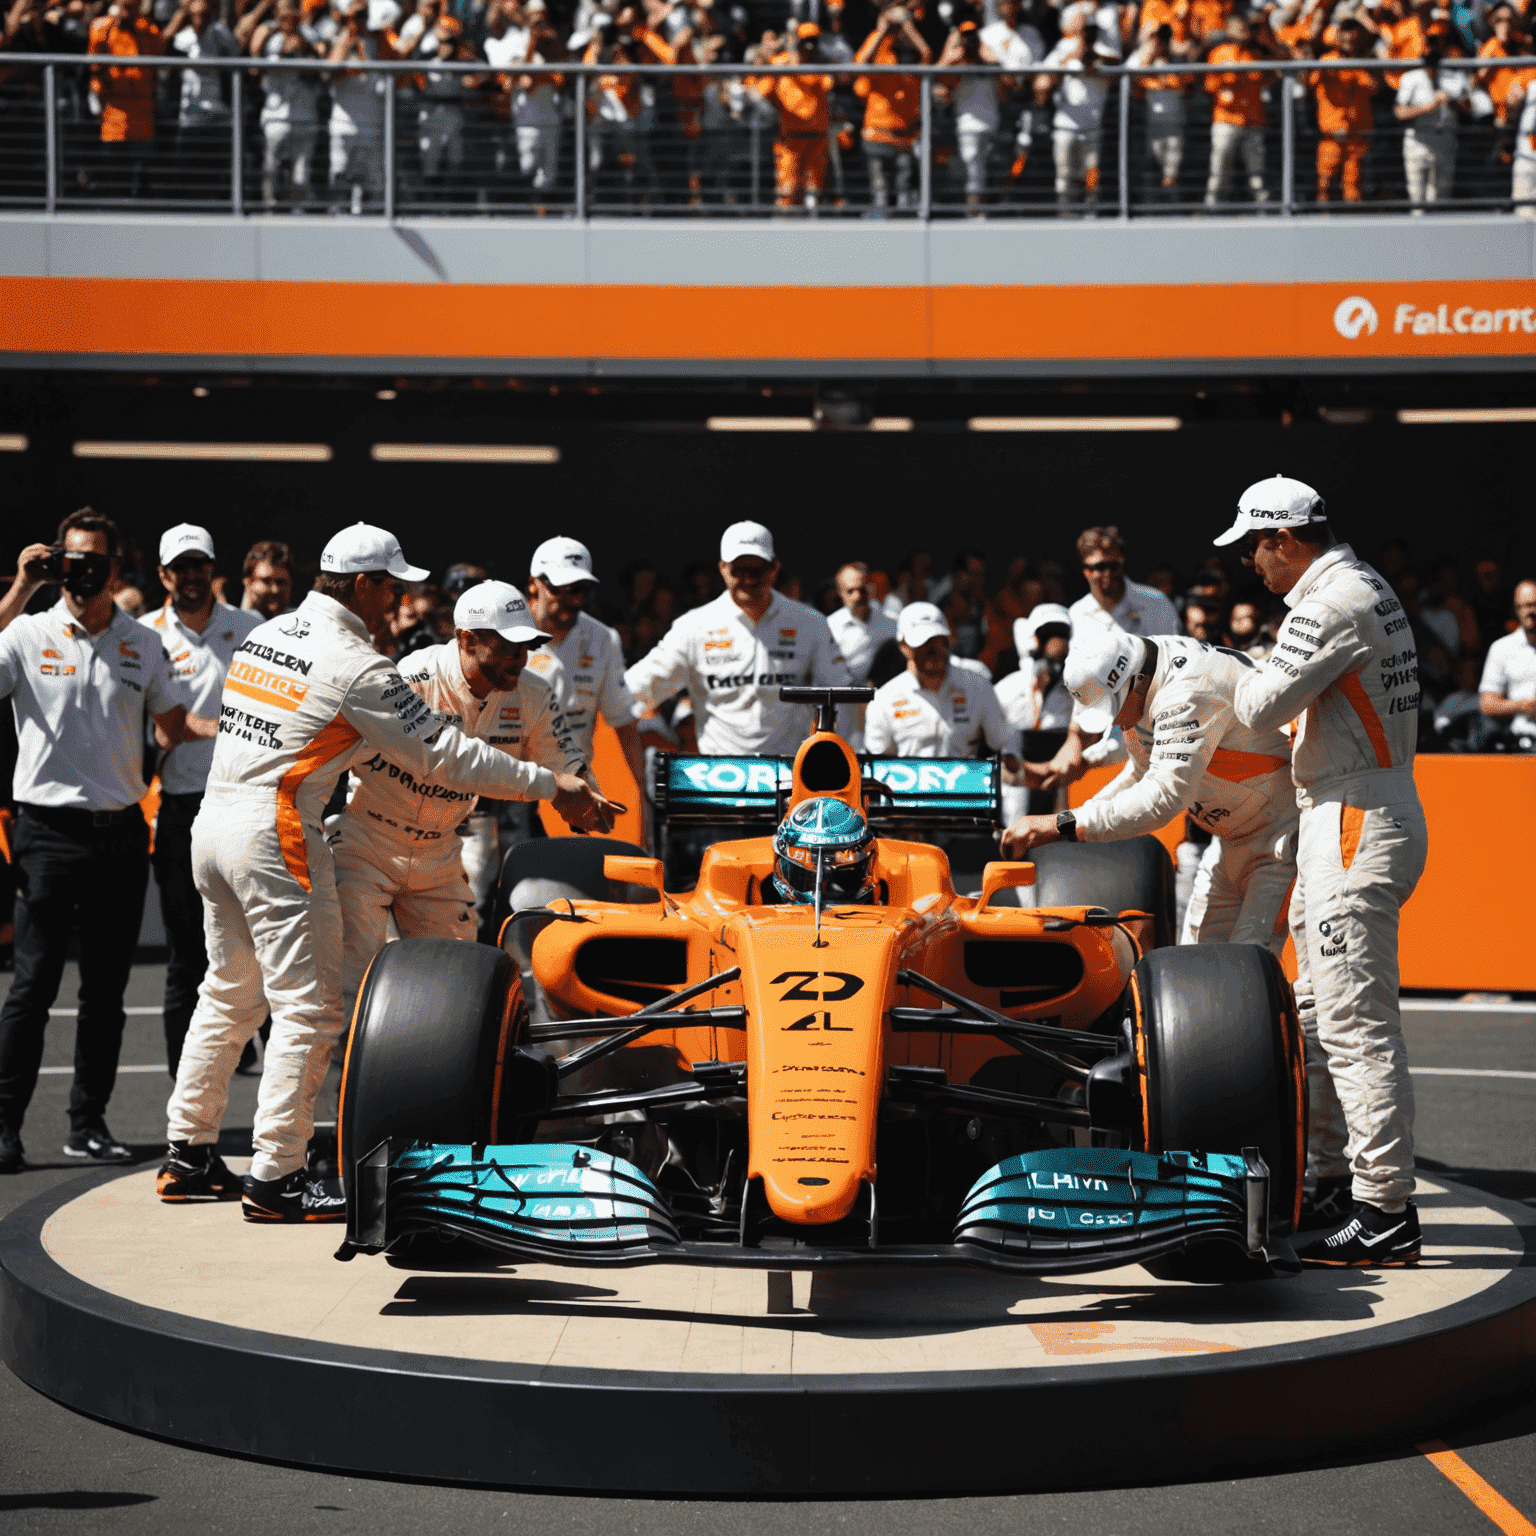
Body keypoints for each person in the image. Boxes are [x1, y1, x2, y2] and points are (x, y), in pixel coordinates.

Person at [158, 524, 618, 1220]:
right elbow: (446, 756)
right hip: (282, 827)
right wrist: (553, 788)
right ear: (367, 585)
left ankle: (188, 1154)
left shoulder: (267, 634)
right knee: (312, 1009)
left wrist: (564, 779)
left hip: (215, 821)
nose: (398, 600)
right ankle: (277, 1177)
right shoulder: (362, 665)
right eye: (394, 586)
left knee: (230, 990)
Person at [1217, 475, 1428, 1265]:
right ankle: (1338, 1182)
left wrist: (1220, 668)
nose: (1249, 562)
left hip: (1352, 818)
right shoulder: (1359, 583)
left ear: (1286, 539)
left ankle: (1385, 1212)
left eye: (1253, 545)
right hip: (1350, 813)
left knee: (1352, 1023)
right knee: (1317, 1017)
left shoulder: (1329, 599)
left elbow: (1259, 707)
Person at [0, 510, 203, 1174]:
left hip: (118, 836)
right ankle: (4, 1128)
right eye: (71, 559)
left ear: (117, 568)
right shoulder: (26, 631)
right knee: (31, 988)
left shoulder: (143, 643)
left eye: (96, 561)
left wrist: (256, 725)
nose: (83, 571)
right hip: (47, 836)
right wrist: (18, 590)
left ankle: (87, 1125)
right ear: (56, 560)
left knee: (107, 995)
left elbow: (173, 727)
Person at [334, 580, 608, 1023]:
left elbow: (565, 762)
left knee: (455, 992)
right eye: (506, 648)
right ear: (467, 639)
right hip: (368, 842)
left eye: (525, 647)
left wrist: (584, 795)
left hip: (441, 851)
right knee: (351, 990)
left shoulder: (533, 693)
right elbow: (451, 761)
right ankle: (341, 1090)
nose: (519, 660)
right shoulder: (412, 678)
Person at [1001, 626, 1298, 952]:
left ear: (1136, 681)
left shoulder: (1188, 691)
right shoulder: (1145, 670)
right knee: (1200, 963)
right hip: (1230, 840)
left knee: (1251, 963)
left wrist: (1060, 825)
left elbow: (1163, 796)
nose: (1113, 722)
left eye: (1113, 709)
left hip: (1280, 840)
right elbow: (1144, 772)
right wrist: (1072, 818)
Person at [144, 524, 263, 1078]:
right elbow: (160, 729)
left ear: (214, 570)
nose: (190, 576)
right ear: (163, 575)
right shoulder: (145, 635)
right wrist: (217, 726)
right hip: (182, 805)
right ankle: (182, 1077)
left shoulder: (250, 628)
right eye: (180, 566)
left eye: (200, 565)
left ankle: (251, 1064)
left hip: (246, 801)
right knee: (186, 954)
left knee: (256, 945)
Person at [625, 520, 852, 755]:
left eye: (756, 570)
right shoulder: (693, 627)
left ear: (774, 569)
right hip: (719, 776)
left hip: (790, 772)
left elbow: (840, 695)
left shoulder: (809, 623)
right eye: (737, 570)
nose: (747, 579)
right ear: (722, 569)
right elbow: (636, 689)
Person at [864, 603, 1019, 761]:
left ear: (948, 639)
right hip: (907, 784)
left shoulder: (978, 686)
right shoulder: (884, 699)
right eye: (923, 642)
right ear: (904, 647)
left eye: (939, 640)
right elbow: (878, 763)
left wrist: (1009, 765)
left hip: (966, 783)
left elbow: (1003, 741)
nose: (933, 648)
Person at [997, 602, 1072, 823]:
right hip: (1017, 781)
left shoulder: (1078, 690)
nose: (1057, 642)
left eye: (1062, 635)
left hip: (1061, 778)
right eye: (1049, 635)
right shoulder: (1008, 689)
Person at [87, 0, 169, 201]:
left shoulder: (149, 30)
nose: (128, 9)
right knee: (114, 176)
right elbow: (93, 68)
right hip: (113, 116)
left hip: (142, 116)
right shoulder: (101, 28)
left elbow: (159, 63)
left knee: (142, 176)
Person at [244, 0, 323, 208]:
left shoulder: (309, 35)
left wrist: (303, 46)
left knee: (301, 174)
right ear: (276, 11)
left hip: (304, 115)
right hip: (275, 115)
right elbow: (254, 67)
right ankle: (269, 209)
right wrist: (279, 50)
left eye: (292, 9)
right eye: (283, 10)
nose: (288, 15)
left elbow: (321, 70)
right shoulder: (268, 33)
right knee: (270, 169)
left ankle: (298, 215)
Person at [751, 21, 834, 210]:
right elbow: (759, 86)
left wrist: (795, 66)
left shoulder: (821, 66)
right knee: (786, 195)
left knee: (813, 197)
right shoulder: (781, 63)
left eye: (813, 42)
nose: (809, 47)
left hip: (817, 141)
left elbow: (827, 84)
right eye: (804, 42)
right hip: (790, 142)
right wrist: (767, 54)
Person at [854, 5, 929, 213]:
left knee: (904, 188)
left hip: (904, 135)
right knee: (880, 190)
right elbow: (861, 64)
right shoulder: (879, 46)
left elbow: (927, 55)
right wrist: (883, 31)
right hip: (877, 133)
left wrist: (907, 26)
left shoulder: (911, 50)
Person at [1036, 16, 1115, 212]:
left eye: (1093, 32)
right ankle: (1064, 211)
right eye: (1085, 31)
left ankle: (1090, 211)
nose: (1089, 36)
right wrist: (1068, 60)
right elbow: (1041, 83)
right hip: (1065, 125)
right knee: (1064, 173)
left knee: (1091, 172)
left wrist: (1096, 62)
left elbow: (1119, 74)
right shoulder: (1064, 48)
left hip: (1092, 126)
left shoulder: (1106, 52)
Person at [1203, 12, 1271, 207]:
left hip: (1252, 119)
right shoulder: (1218, 53)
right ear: (1228, 28)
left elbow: (1270, 75)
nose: (1242, 28)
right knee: (1219, 167)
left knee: (1256, 171)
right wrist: (1226, 81)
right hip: (1225, 119)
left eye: (1244, 25)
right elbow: (1209, 84)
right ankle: (1213, 206)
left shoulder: (1256, 54)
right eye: (1237, 25)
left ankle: (1261, 207)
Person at [1309, 15, 1378, 203]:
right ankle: (1322, 221)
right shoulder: (1326, 60)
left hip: (1357, 134)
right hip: (1332, 134)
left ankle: (1354, 222)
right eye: (1346, 38)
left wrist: (1357, 64)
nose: (1350, 43)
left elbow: (1373, 87)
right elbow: (1311, 81)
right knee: (1325, 182)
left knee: (1354, 185)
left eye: (1354, 39)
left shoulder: (1363, 63)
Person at [1394, 37, 1464, 208]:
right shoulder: (1411, 78)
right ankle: (1416, 233)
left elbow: (1470, 109)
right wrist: (1427, 107)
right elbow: (1399, 112)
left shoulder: (1453, 76)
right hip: (1418, 139)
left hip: (1444, 138)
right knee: (1416, 197)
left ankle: (1439, 233)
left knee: (1440, 198)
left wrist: (1452, 101)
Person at [1478, 578, 1536, 749]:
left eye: (1532, 605)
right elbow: (1487, 703)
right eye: (1521, 606)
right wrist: (1524, 705)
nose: (1528, 611)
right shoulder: (1502, 648)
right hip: (1523, 741)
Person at [827, 561, 899, 684]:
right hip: (844, 695)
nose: (857, 597)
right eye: (850, 591)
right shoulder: (830, 627)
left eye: (862, 590)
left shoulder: (892, 623)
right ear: (839, 592)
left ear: (870, 587)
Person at [242, 539, 295, 619]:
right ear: (248, 582)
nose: (275, 590)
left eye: (280, 582)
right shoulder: (227, 626)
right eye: (266, 581)